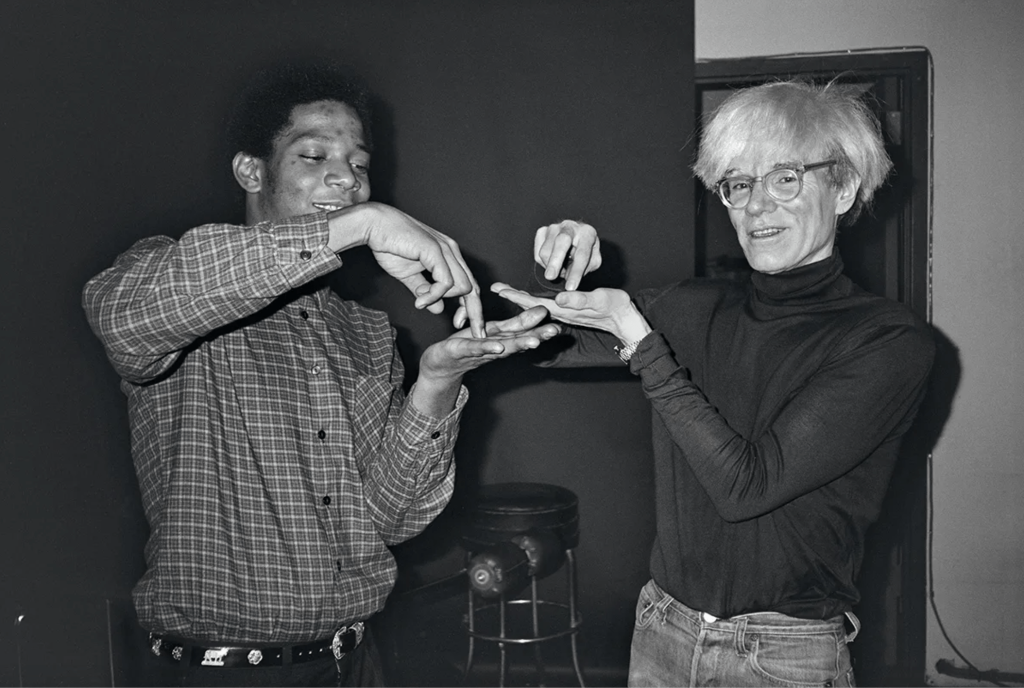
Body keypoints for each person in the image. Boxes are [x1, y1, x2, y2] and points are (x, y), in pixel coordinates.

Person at [82, 63, 558, 687]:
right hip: (225, 674)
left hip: (357, 662)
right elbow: (123, 317)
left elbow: (389, 519)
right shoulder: (173, 280)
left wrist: (436, 384)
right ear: (252, 170)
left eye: (359, 164)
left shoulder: (365, 333)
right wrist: (358, 225)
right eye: (313, 155)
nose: (346, 177)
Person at [493, 80, 935, 687]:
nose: (756, 207)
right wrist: (557, 274)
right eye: (737, 184)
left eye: (785, 177)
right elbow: (535, 346)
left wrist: (642, 344)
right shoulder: (692, 305)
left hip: (781, 653)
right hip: (662, 630)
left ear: (844, 187)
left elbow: (746, 487)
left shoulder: (885, 341)